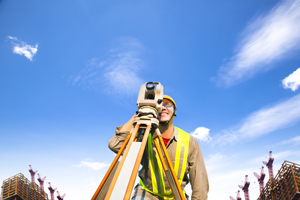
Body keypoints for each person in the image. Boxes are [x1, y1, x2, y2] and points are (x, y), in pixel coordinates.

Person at [108, 95, 209, 200]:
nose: (163, 108)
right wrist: (141, 111)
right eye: (159, 105)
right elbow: (115, 145)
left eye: (168, 105)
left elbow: (199, 180)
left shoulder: (189, 141)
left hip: (176, 195)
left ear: (174, 113)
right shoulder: (144, 136)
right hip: (147, 193)